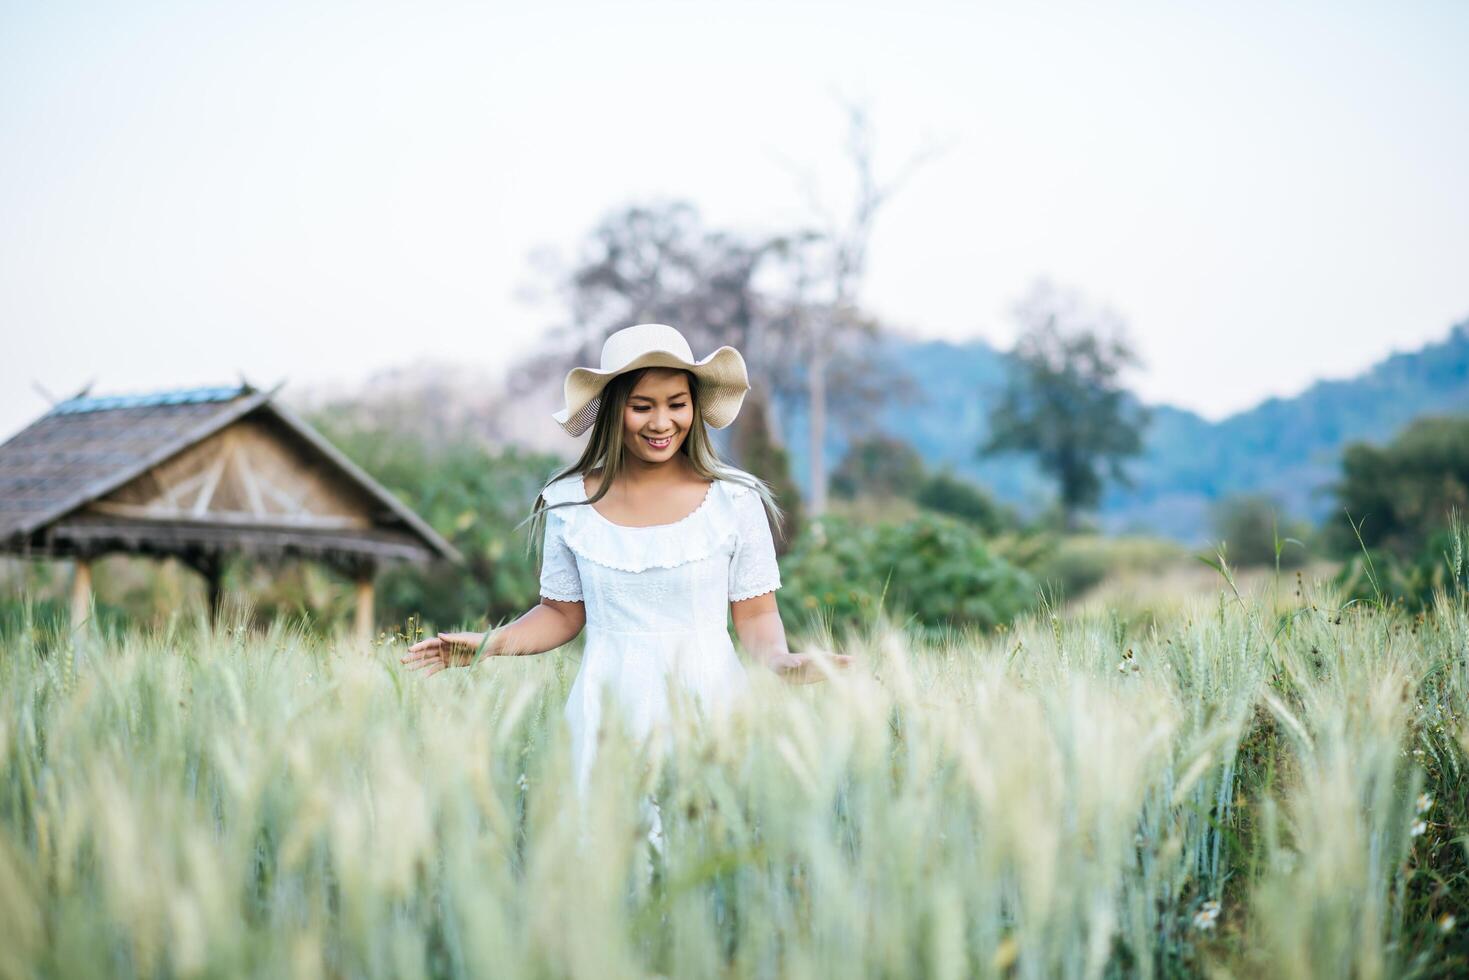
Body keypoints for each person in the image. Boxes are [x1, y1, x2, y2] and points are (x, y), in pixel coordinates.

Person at [399, 322, 851, 835]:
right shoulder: (570, 502)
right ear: (615, 409)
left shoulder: (736, 500)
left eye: (677, 403)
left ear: (695, 407)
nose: (662, 421)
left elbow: (756, 612)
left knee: (708, 870)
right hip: (605, 718)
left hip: (712, 712)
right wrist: (490, 644)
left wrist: (781, 660)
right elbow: (562, 613)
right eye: (642, 406)